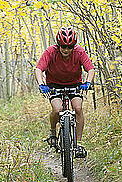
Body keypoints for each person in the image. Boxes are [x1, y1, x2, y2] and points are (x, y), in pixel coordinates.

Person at [34, 26, 95, 158]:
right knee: (57, 109)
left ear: (74, 46)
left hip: (75, 84)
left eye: (69, 47)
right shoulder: (50, 52)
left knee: (78, 108)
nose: (66, 50)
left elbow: (90, 69)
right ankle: (52, 133)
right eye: (63, 47)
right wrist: (41, 84)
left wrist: (88, 83)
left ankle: (77, 143)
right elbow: (39, 69)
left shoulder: (79, 52)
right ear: (58, 45)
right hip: (54, 84)